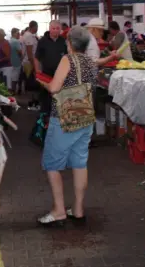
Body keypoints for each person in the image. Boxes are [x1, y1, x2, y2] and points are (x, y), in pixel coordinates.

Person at [36, 26, 96, 226]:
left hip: (64, 118)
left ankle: (59, 210)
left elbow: (54, 88)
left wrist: (43, 83)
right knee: (80, 163)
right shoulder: (90, 61)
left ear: (69, 43)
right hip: (85, 117)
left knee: (52, 164)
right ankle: (78, 209)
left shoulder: (67, 60)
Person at [9, 28, 24, 93]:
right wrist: (21, 58)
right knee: (15, 78)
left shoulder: (9, 41)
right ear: (14, 33)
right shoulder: (16, 41)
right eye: (18, 33)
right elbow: (20, 52)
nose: (19, 35)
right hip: (16, 62)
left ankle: (12, 90)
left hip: (10, 62)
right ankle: (13, 91)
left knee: (12, 77)